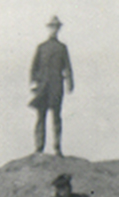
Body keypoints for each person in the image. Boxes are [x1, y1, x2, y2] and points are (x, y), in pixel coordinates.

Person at [29, 16, 73, 156]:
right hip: (43, 87)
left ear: (59, 29)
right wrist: (34, 83)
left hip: (56, 87)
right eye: (52, 26)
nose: (54, 29)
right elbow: (34, 68)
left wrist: (70, 83)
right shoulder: (41, 48)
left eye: (57, 27)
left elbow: (68, 67)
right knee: (40, 117)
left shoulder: (62, 48)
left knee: (56, 117)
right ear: (49, 28)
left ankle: (57, 148)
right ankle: (39, 147)